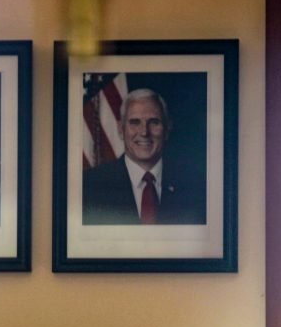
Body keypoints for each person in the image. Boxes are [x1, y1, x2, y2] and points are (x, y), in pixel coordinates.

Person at [82, 88, 206, 225]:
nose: (144, 132)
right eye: (135, 122)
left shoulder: (194, 185)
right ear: (120, 129)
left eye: (154, 122)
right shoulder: (90, 186)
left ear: (167, 128)